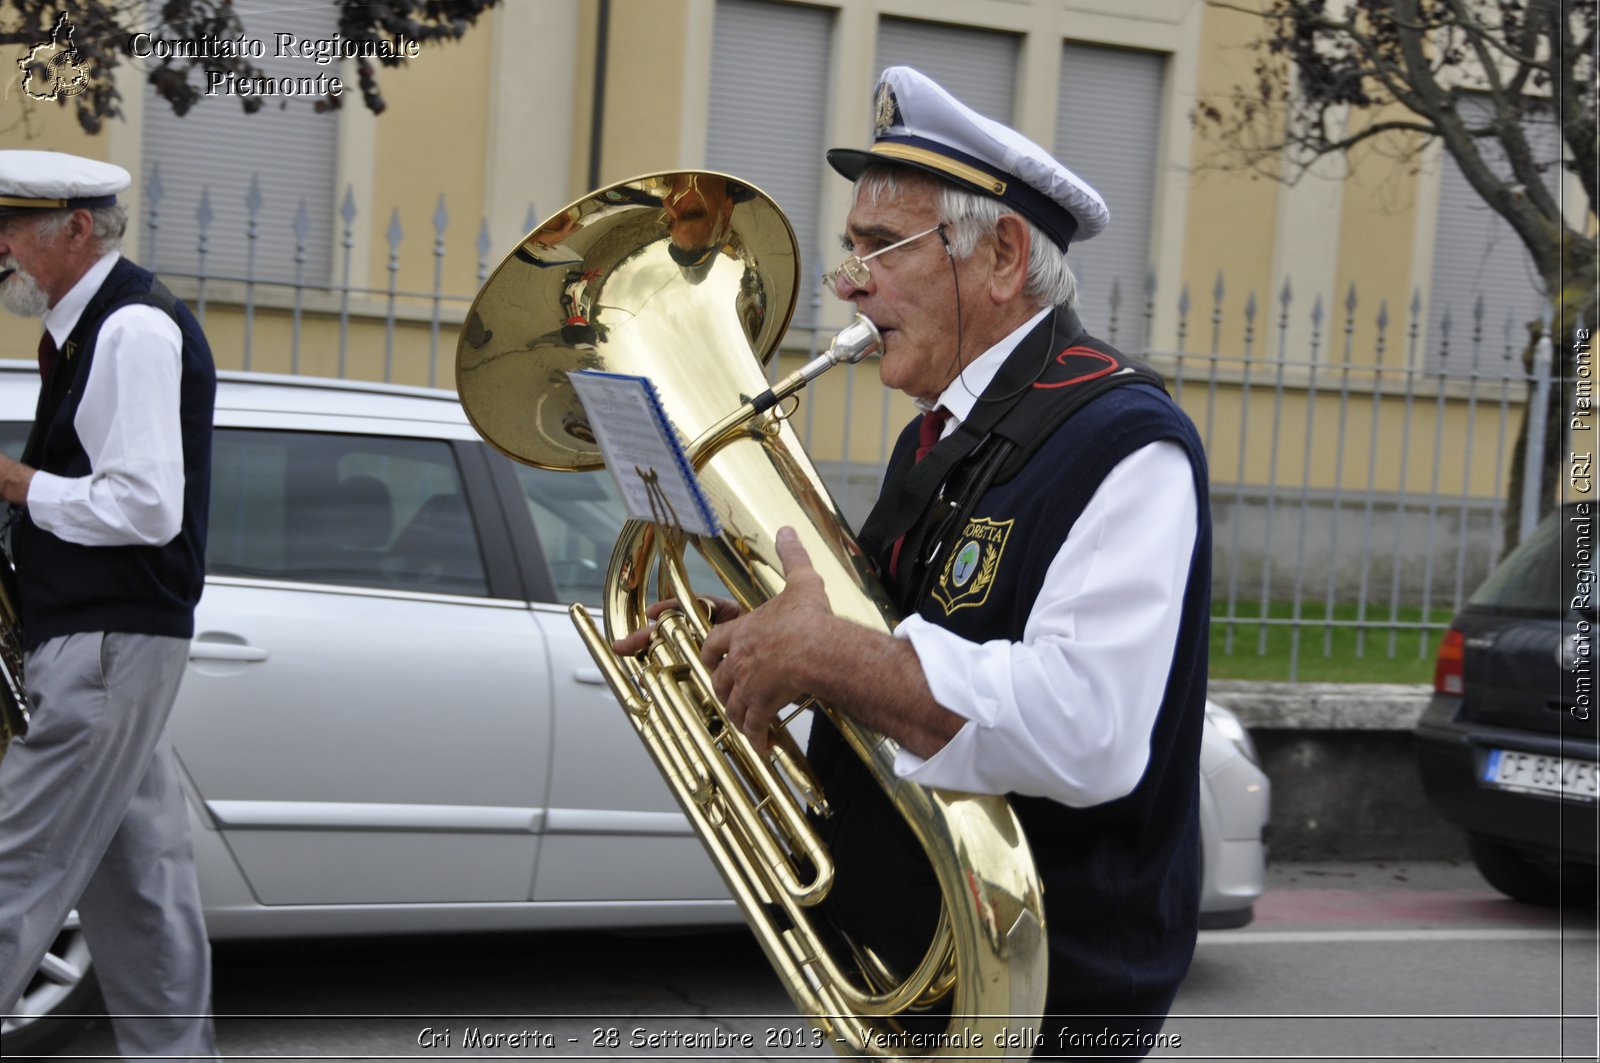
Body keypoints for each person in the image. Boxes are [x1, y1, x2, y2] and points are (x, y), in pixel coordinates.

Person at [622, 67, 1211, 1059]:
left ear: (1002, 254)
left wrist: (831, 659)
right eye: (851, 251)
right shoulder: (938, 439)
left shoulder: (1121, 438)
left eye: (878, 248)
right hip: (904, 963)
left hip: (1042, 999)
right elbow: (899, 648)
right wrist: (764, 642)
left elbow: (1090, 731)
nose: (849, 284)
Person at [0, 150, 220, 1061]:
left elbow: (144, 505)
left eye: (5, 231)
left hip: (105, 640)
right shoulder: (92, 328)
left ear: (75, 228)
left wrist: (14, 482)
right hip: (104, 639)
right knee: (141, 887)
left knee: (16, 865)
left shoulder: (129, 330)